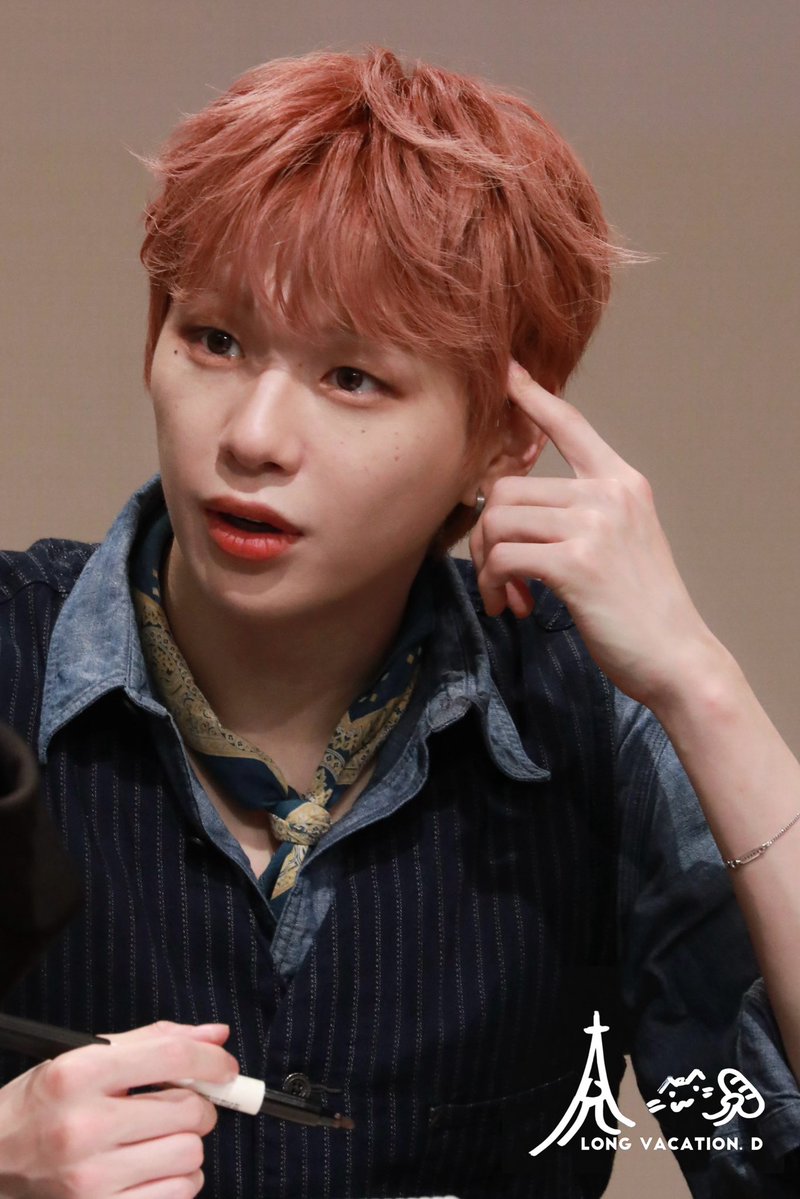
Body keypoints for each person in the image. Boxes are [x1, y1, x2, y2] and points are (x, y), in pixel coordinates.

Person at [1, 45, 799, 1198]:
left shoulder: (584, 724)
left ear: (502, 438)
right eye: (215, 339)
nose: (253, 436)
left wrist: (700, 684)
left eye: (352, 378)